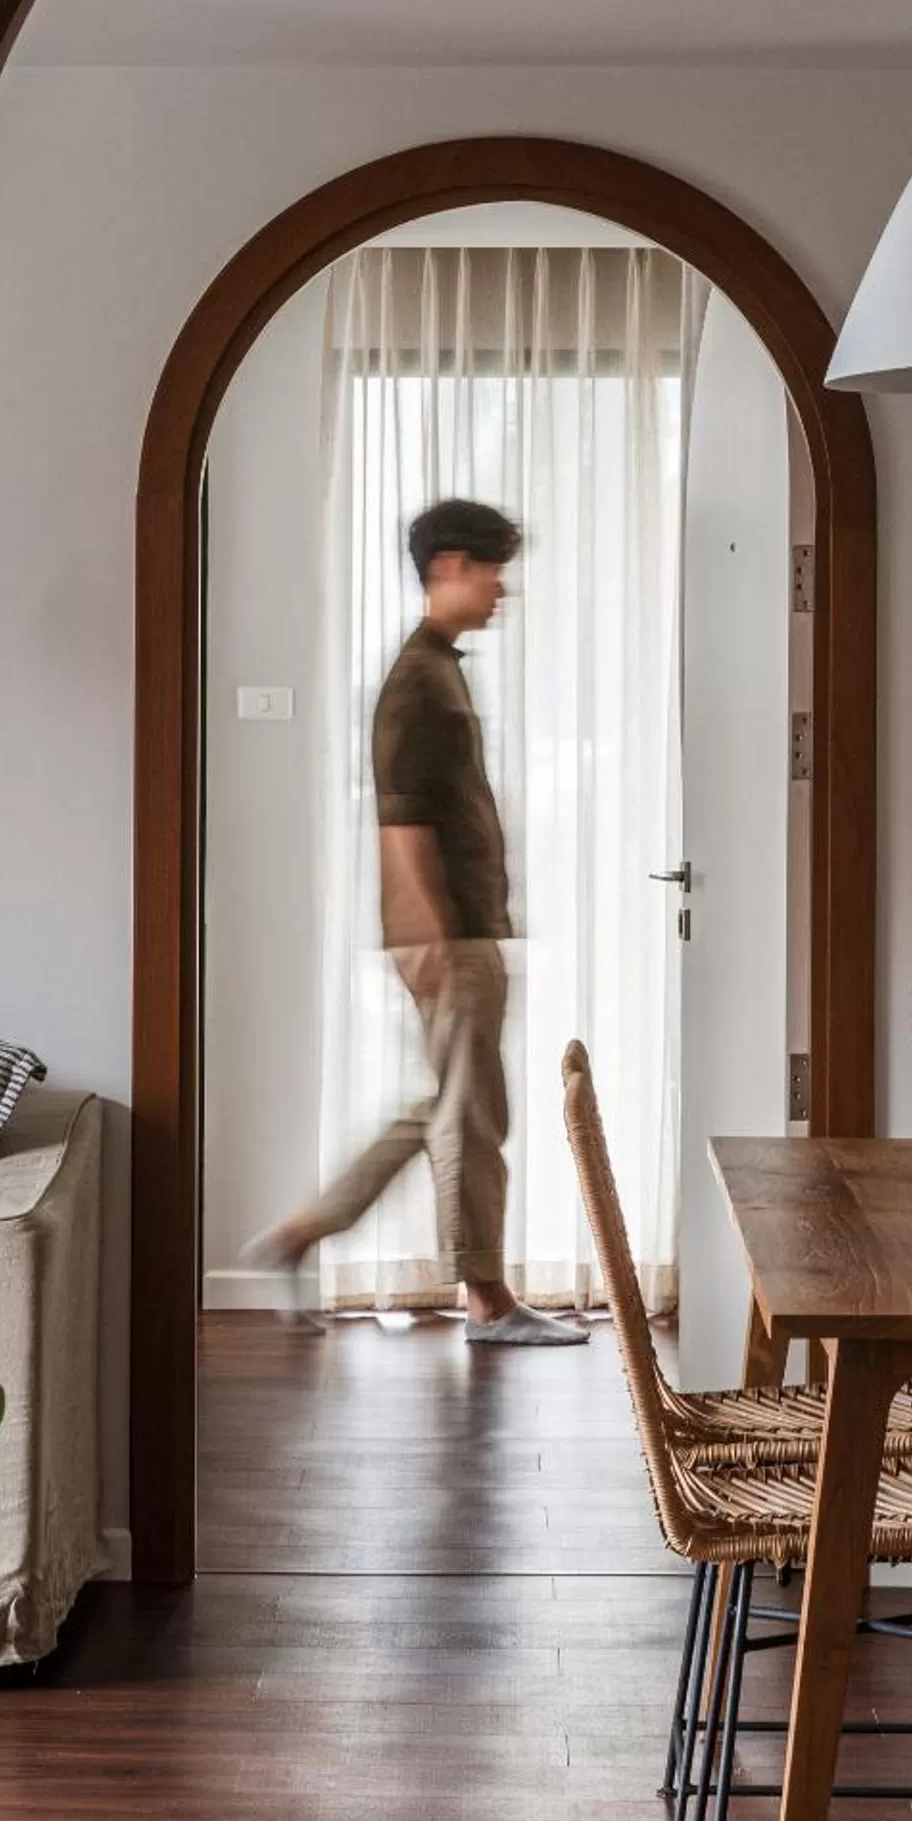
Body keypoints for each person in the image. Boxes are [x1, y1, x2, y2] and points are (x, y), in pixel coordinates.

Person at [250, 497, 588, 1346]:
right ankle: (487, 1306)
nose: (501, 590)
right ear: (449, 568)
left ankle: (296, 1236)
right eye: (492, 571)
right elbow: (399, 822)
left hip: (459, 926)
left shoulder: (440, 667)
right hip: (449, 932)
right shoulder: (417, 681)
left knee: (448, 1106)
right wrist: (426, 932)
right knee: (471, 1115)